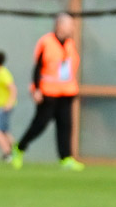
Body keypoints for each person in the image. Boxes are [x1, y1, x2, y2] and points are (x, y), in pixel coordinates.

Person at [11, 14, 85, 172]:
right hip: (48, 92)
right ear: (59, 25)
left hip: (67, 91)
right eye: (69, 24)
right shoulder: (46, 42)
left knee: (65, 125)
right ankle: (19, 148)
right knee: (40, 124)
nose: (72, 28)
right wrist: (36, 89)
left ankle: (66, 158)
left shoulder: (70, 43)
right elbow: (37, 67)